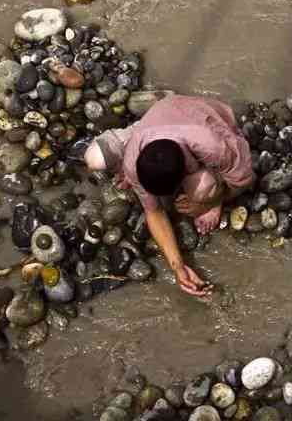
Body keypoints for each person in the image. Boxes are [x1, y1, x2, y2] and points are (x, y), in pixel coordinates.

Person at [84, 95, 253, 296]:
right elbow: (153, 212)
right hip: (158, 121)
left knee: (203, 188)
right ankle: (141, 124)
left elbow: (244, 180)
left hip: (207, 120)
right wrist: (178, 266)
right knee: (94, 157)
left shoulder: (212, 146)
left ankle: (210, 196)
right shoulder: (132, 160)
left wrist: (211, 202)